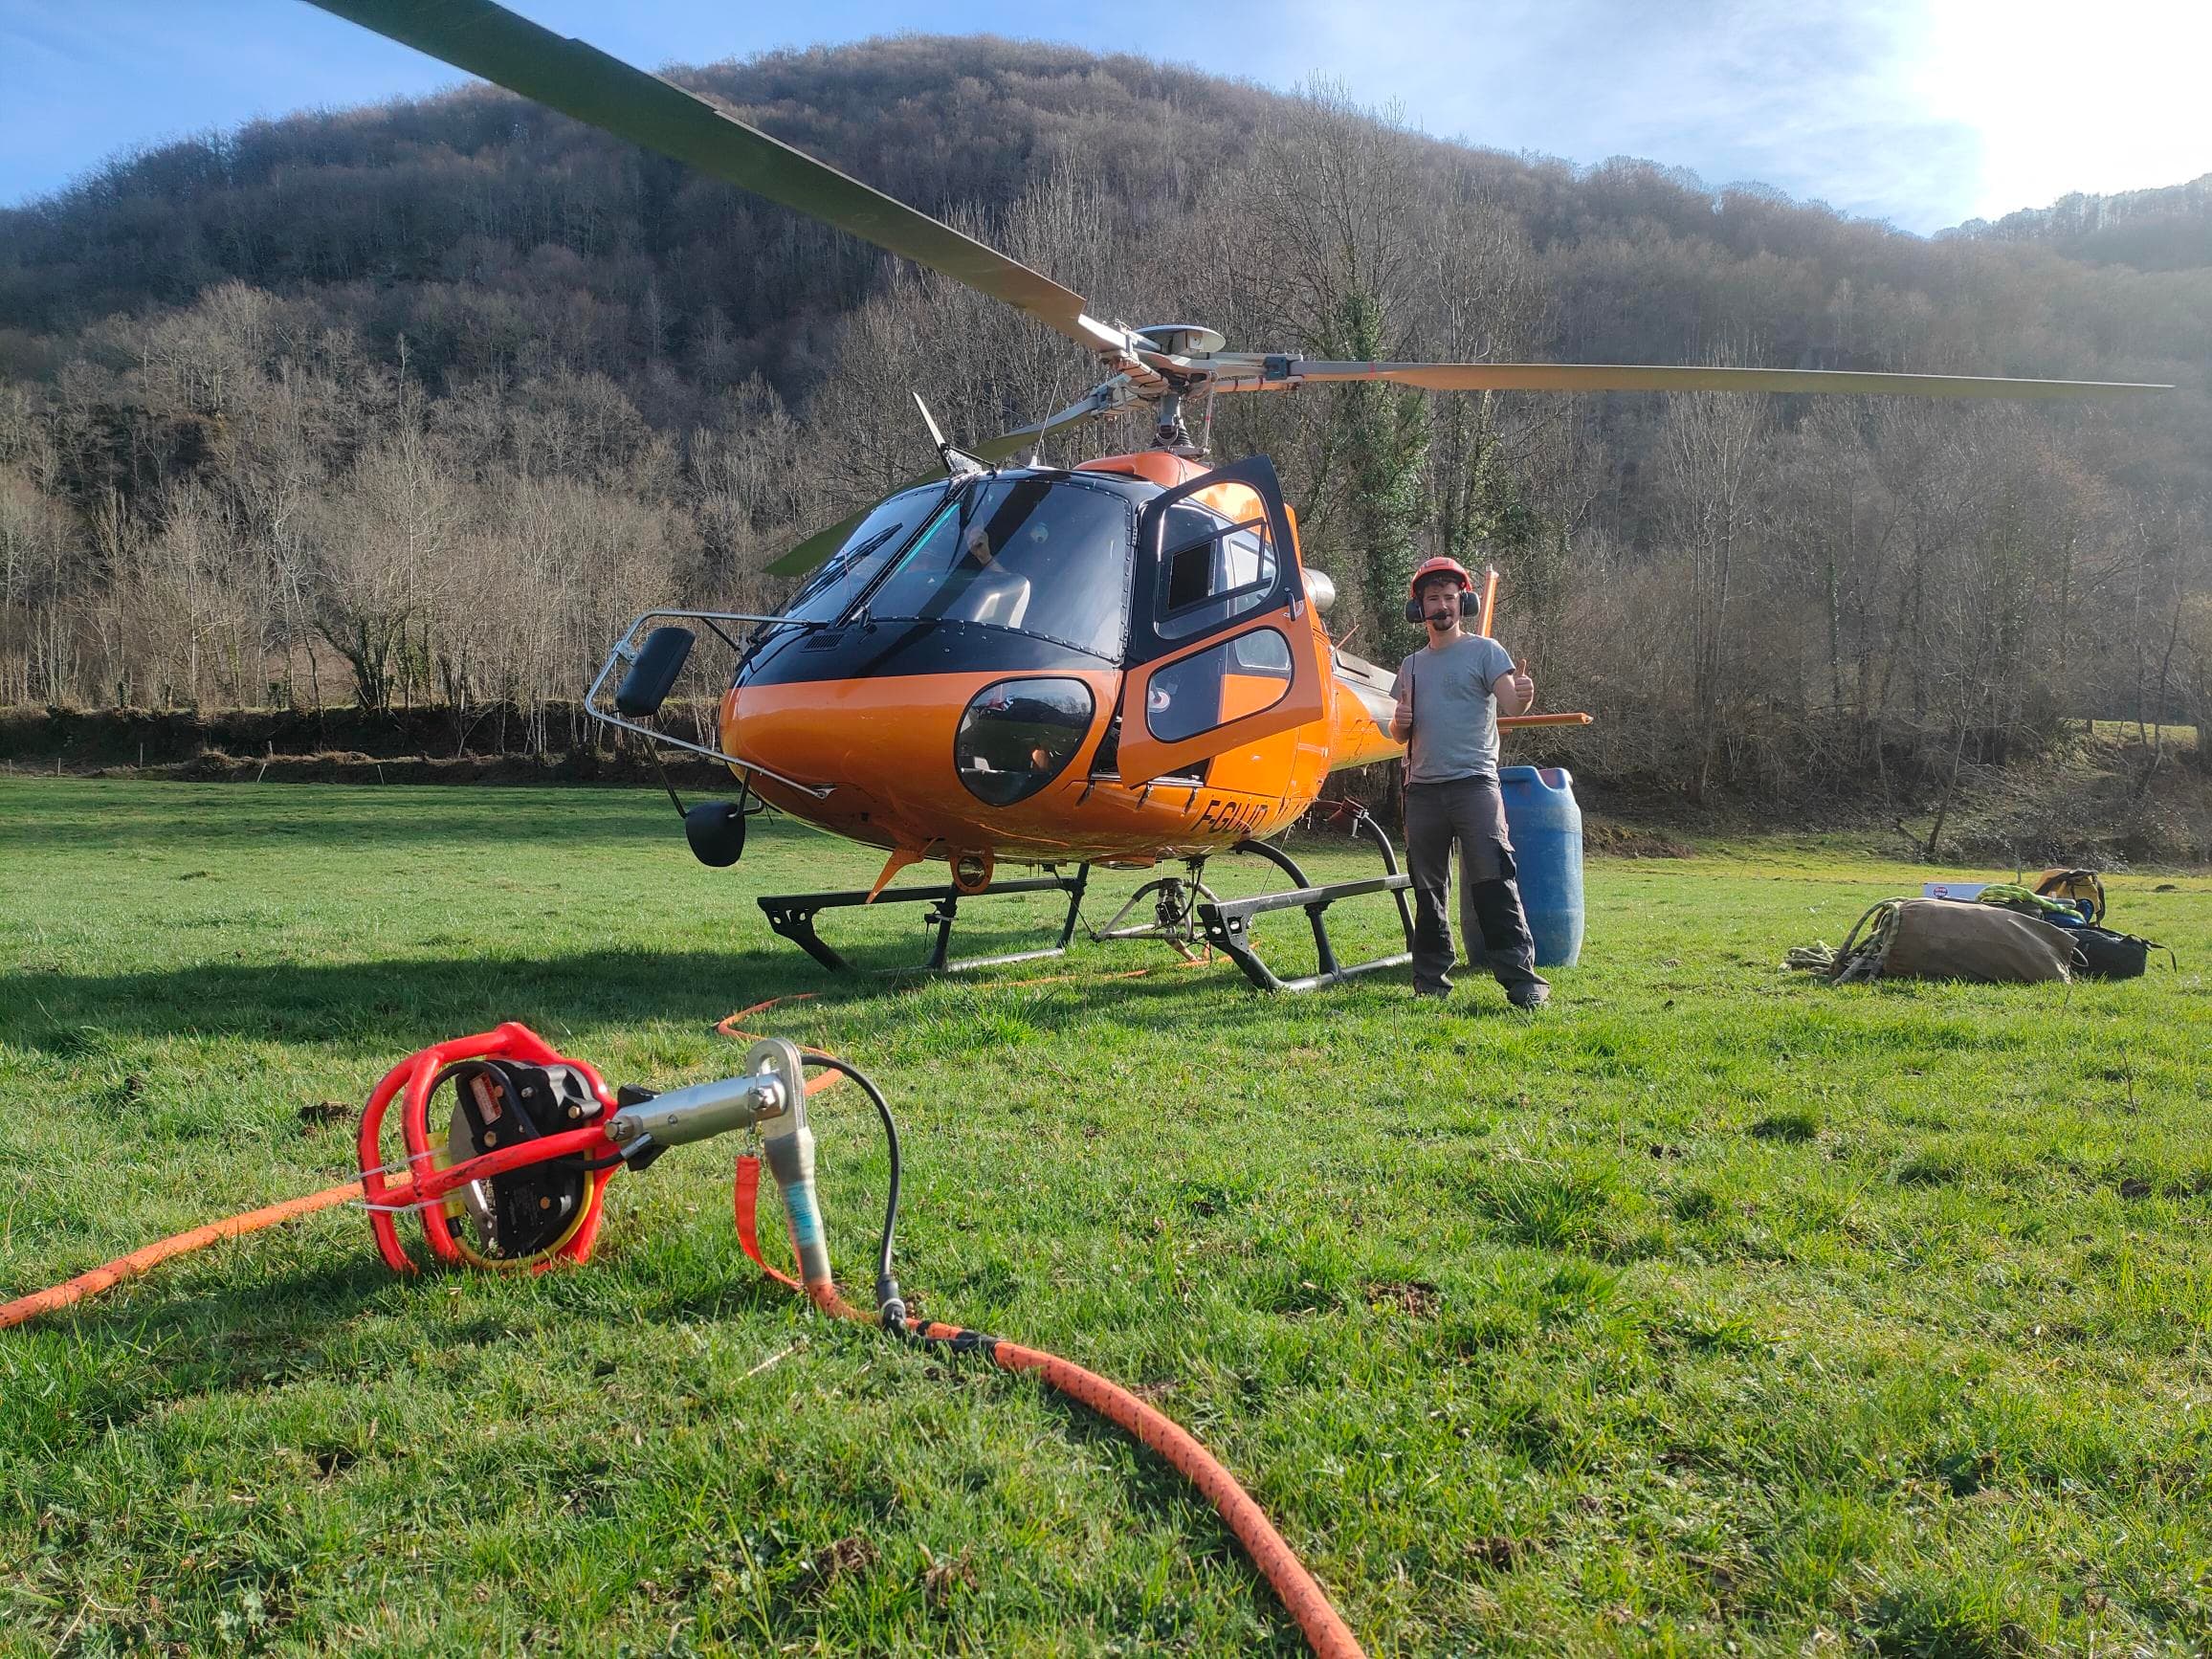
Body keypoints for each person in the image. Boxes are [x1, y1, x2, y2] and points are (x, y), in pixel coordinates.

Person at [1388, 557, 1550, 1009]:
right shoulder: (1411, 665)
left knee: (1494, 880)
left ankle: (1522, 982)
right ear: (1418, 608)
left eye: (1449, 597)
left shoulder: (1486, 651)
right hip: (1422, 791)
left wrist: (1523, 694)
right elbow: (1399, 731)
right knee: (1428, 890)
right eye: (1432, 598)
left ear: (1465, 603)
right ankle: (1430, 982)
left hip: (1475, 785)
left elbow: (1511, 708)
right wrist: (1397, 724)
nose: (1441, 606)